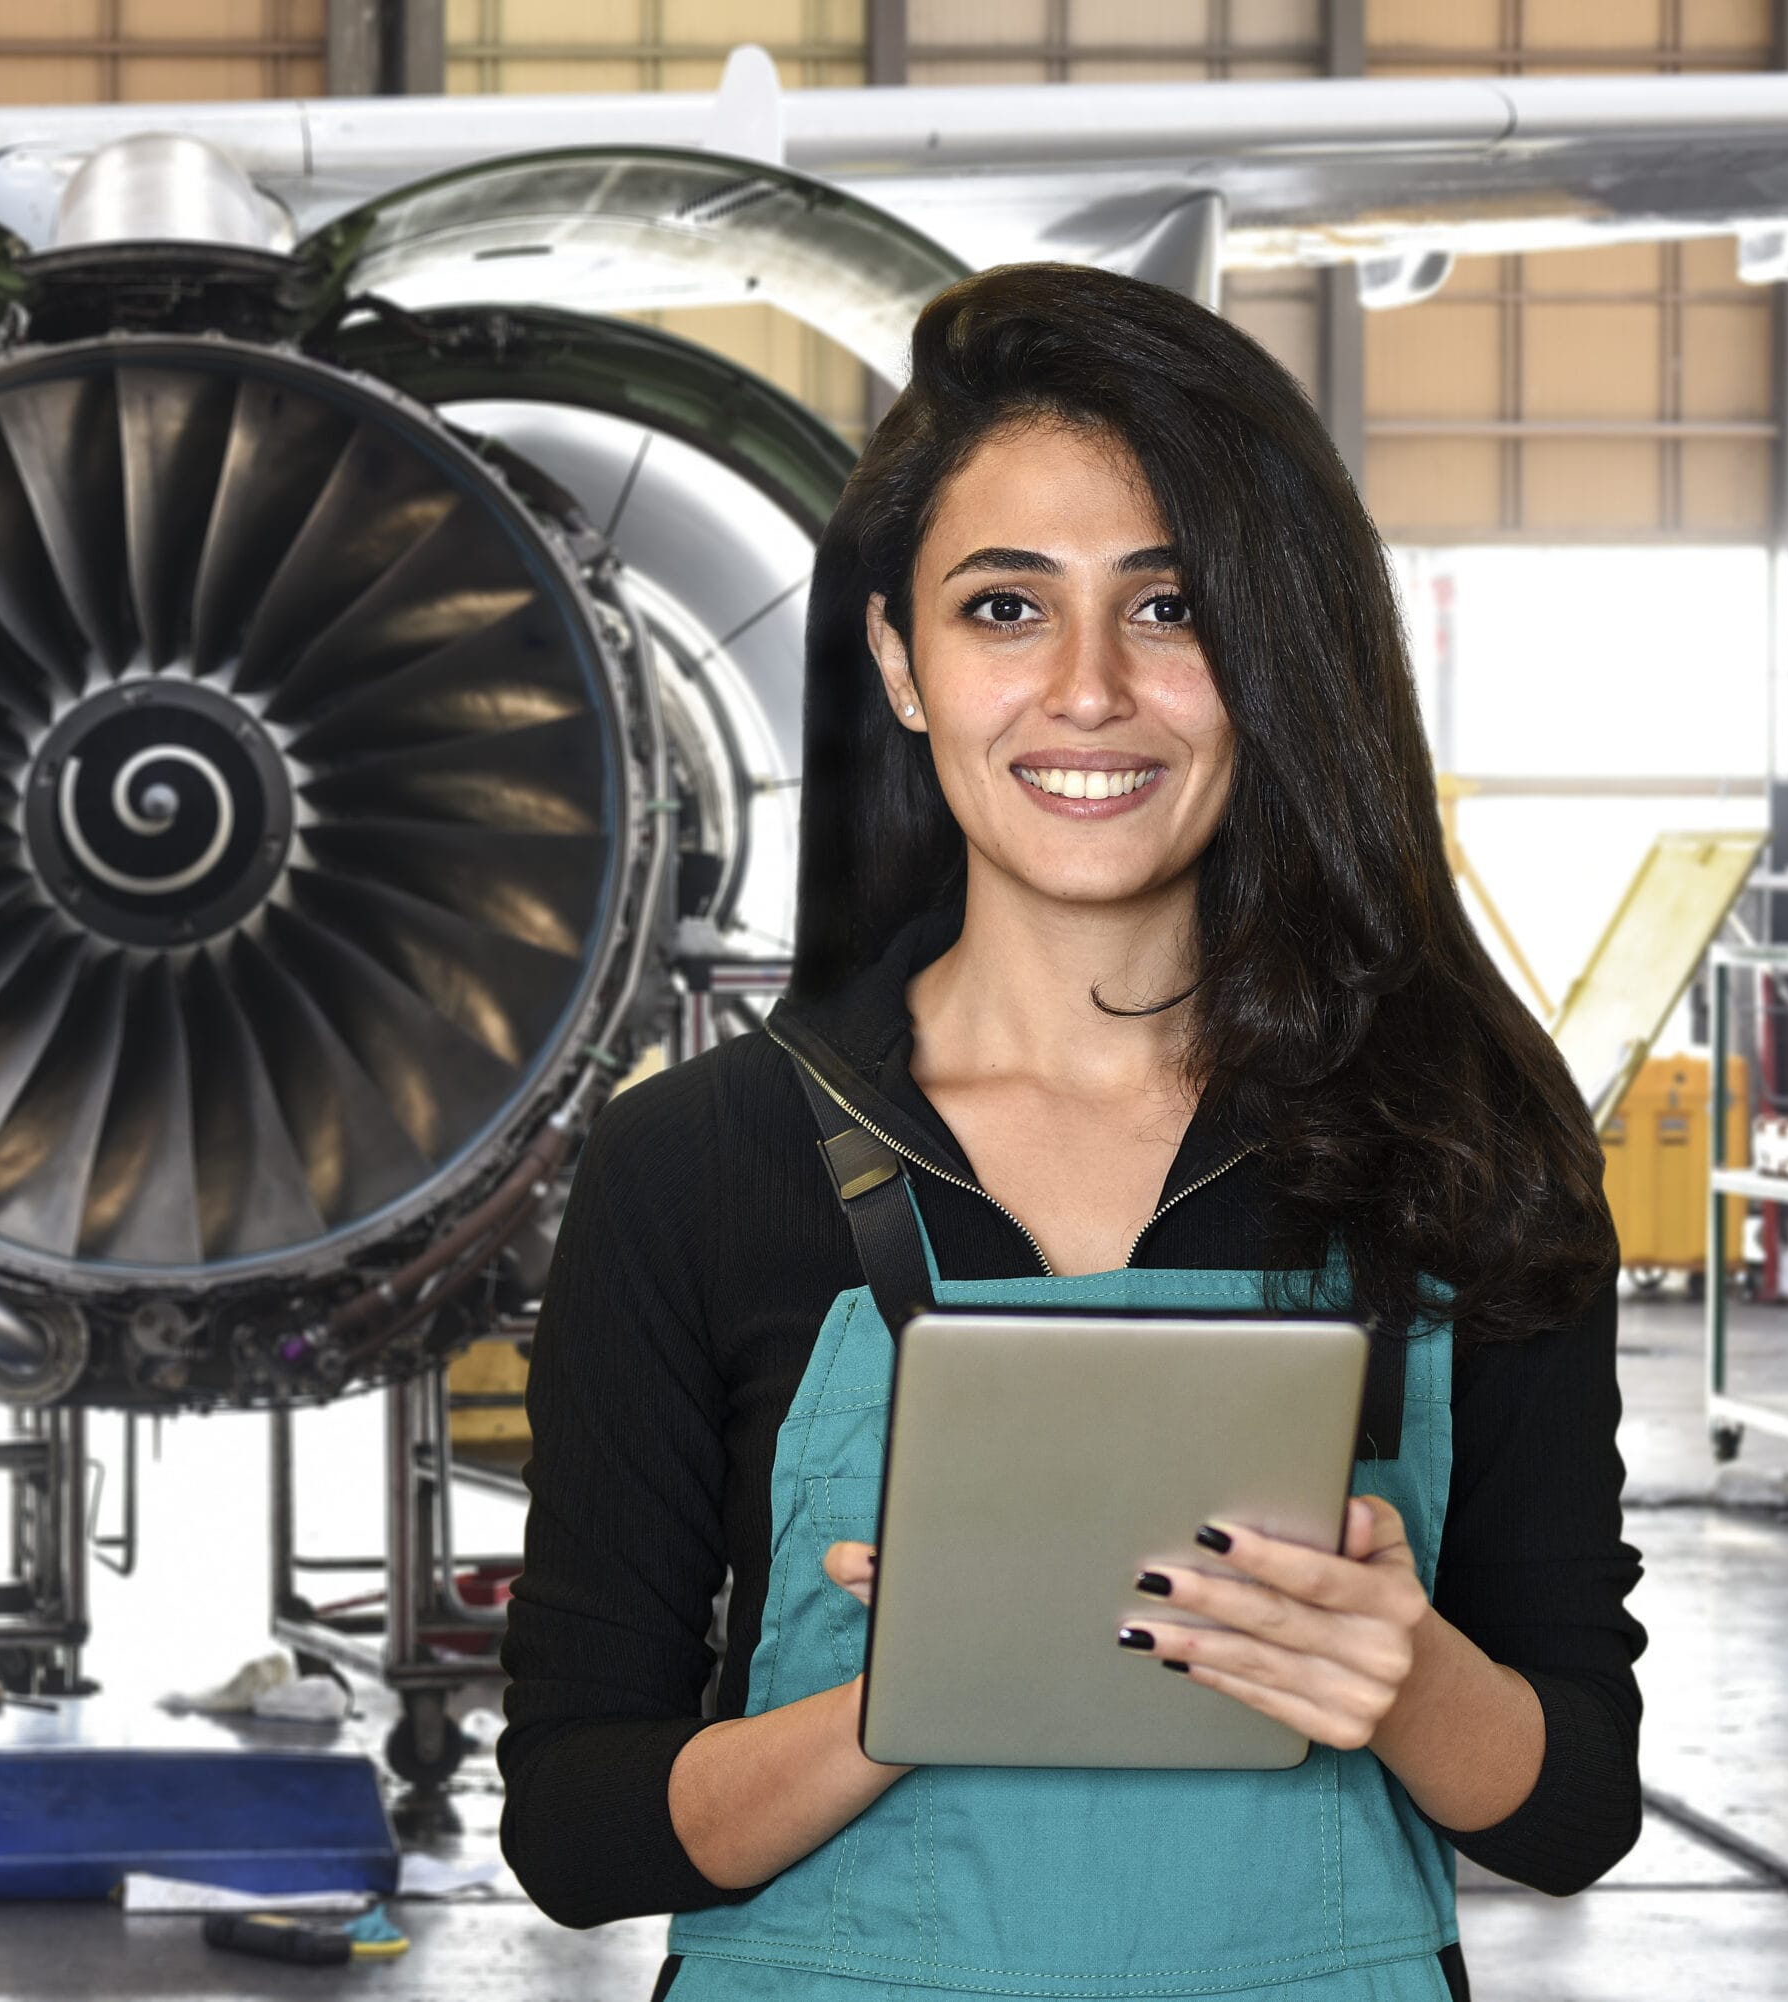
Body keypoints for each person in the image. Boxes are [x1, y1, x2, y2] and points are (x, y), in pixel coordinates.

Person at [496, 263, 1642, 2002]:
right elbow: (576, 1830)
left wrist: (1400, 1673)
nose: (1090, 690)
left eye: (1171, 607)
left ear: (1272, 651)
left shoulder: (1460, 1145)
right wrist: (925, 1688)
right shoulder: (699, 1165)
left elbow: (1574, 1809)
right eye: (1005, 609)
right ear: (898, 659)